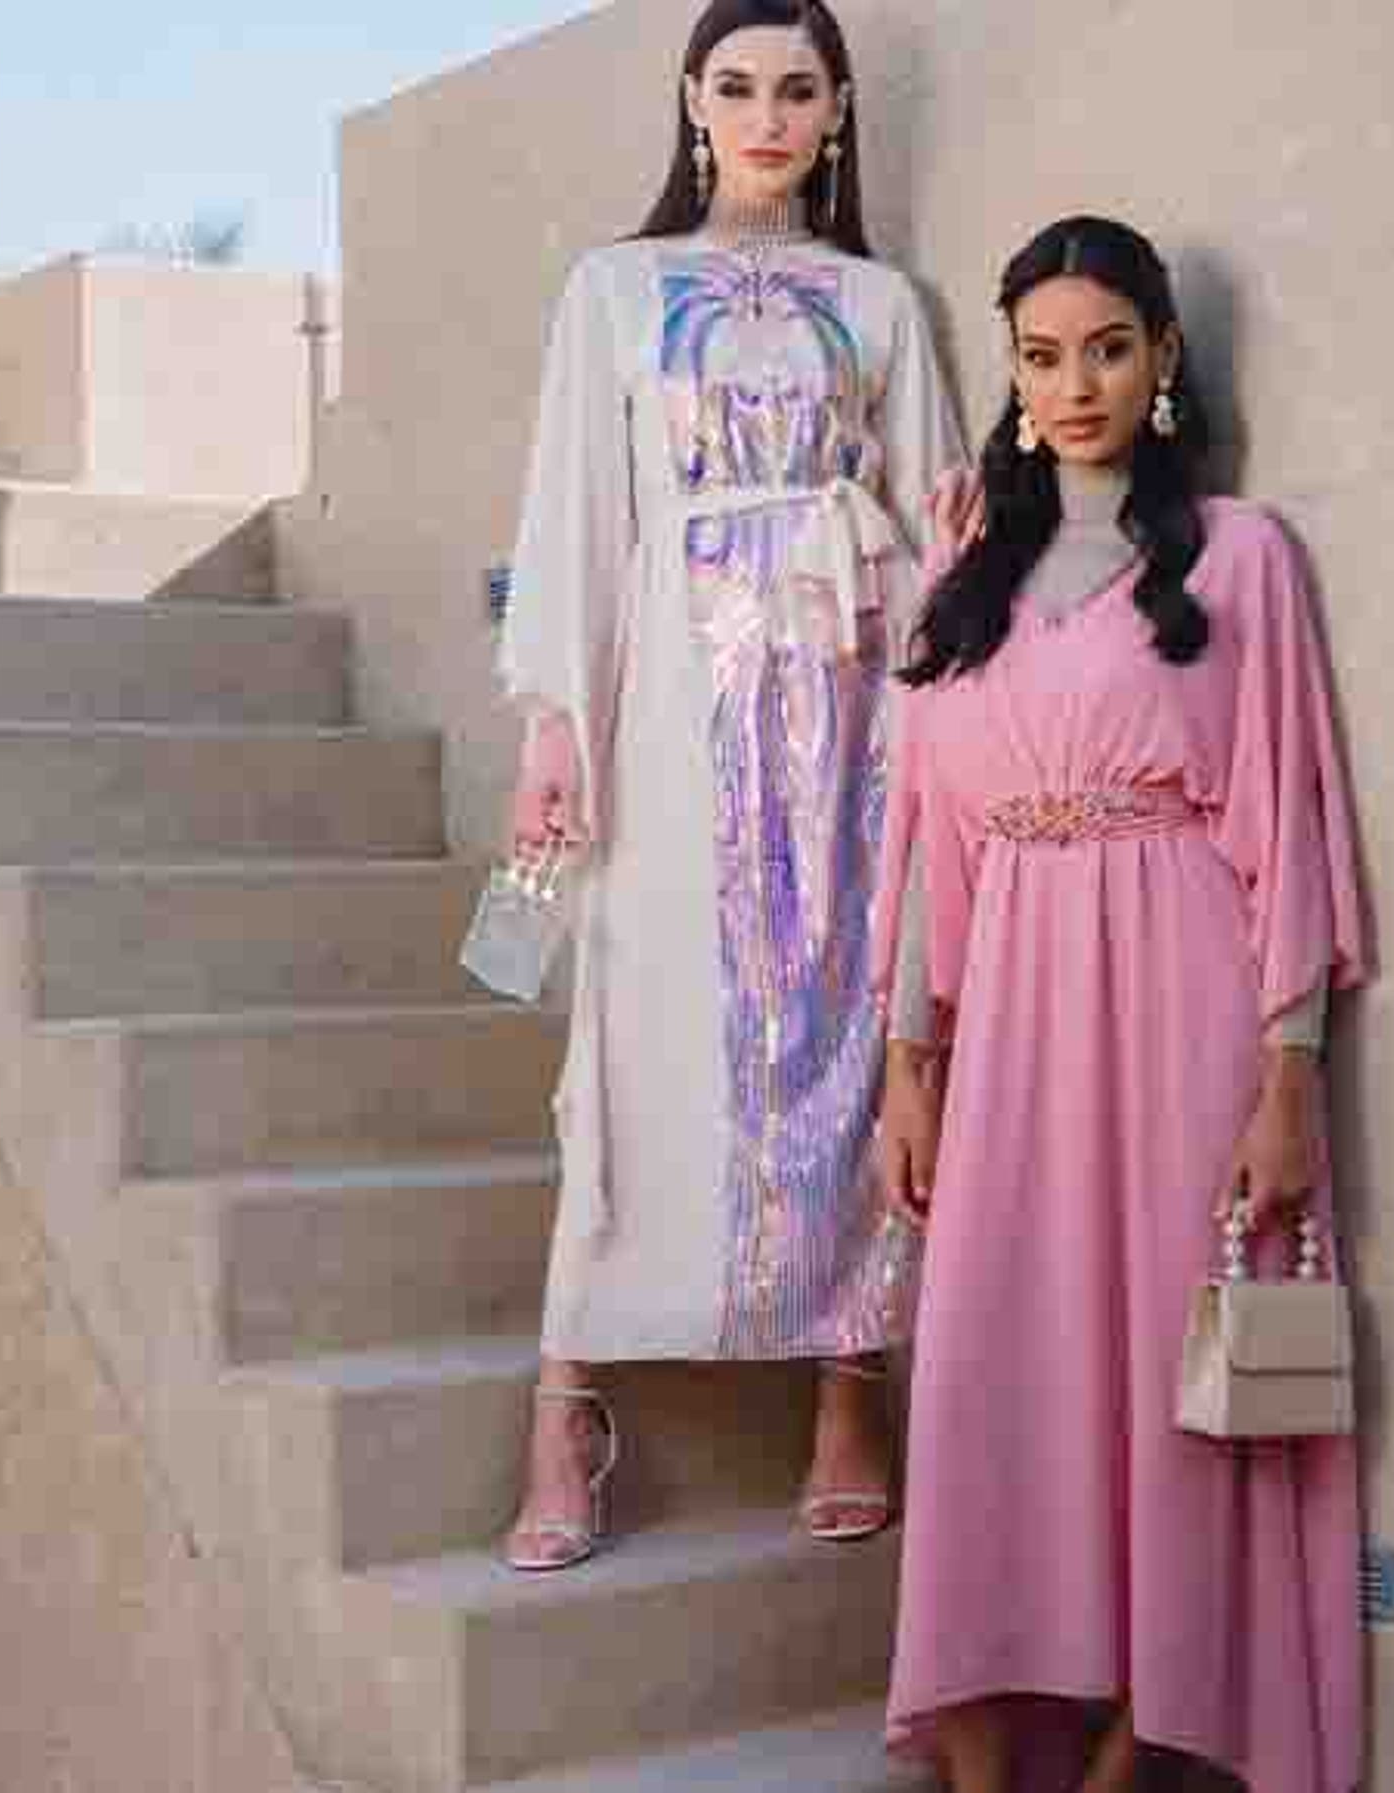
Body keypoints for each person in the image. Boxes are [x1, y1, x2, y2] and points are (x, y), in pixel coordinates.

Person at [874, 215, 1371, 1792]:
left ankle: (1129, 1750)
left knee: (1165, 1383)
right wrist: (908, 1062)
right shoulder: (966, 577)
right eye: (1041, 356)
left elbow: (1288, 819)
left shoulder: (1239, 553)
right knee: (987, 1378)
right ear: (1013, 378)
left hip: (1183, 1000)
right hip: (1012, 1015)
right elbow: (926, 841)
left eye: (1106, 347)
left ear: (1162, 357)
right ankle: (978, 1752)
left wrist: (1289, 1072)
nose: (1074, 383)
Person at [492, 0, 962, 1574]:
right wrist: (556, 724)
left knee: (845, 1020)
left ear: (838, 114)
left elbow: (937, 520)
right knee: (634, 1038)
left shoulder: (883, 306)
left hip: (852, 708)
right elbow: (577, 514)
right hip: (672, 715)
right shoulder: (615, 290)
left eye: (799, 90)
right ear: (694, 102)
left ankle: (849, 1385)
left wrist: (946, 717)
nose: (769, 117)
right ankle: (566, 1403)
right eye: (740, 87)